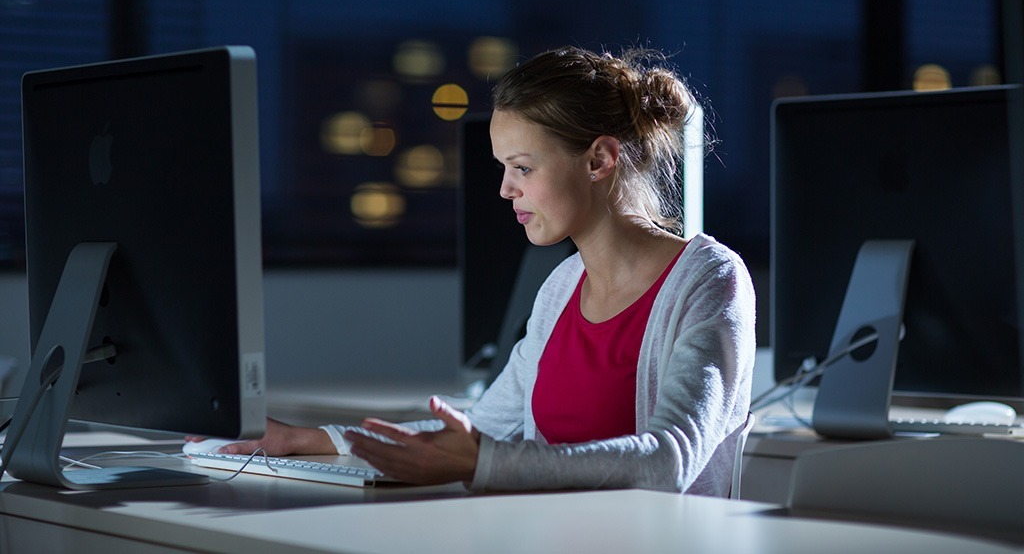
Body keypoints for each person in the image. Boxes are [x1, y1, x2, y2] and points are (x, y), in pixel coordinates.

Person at [211, 45, 756, 496]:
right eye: (503, 168)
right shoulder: (562, 288)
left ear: (598, 160)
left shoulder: (709, 279)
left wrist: (483, 464)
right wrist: (315, 440)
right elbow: (484, 428)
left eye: (523, 168)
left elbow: (668, 461)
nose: (505, 189)